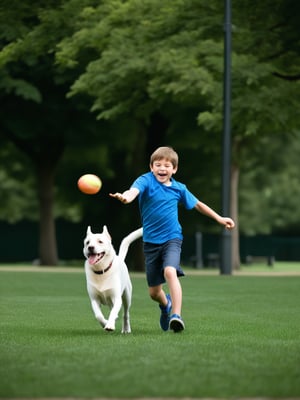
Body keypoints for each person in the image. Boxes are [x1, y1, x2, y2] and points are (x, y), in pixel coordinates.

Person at [110, 146, 235, 333]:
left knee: (170, 271)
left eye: (166, 165)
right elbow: (133, 191)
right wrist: (126, 198)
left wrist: (219, 218)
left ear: (174, 169)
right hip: (151, 243)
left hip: (172, 239)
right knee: (154, 293)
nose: (162, 168)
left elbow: (198, 205)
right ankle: (166, 304)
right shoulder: (145, 180)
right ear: (151, 167)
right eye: (158, 164)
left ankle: (176, 315)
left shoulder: (179, 188)